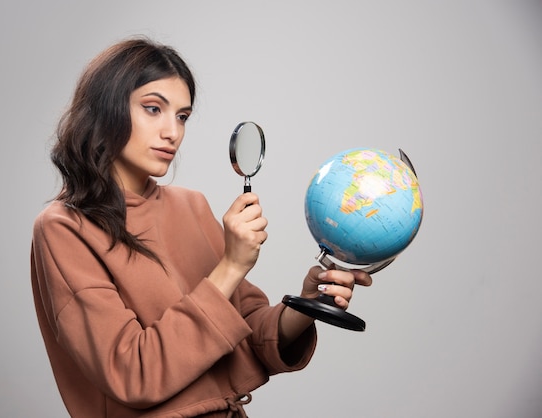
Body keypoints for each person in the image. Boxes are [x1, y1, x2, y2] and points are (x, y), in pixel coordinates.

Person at [30, 37, 372, 418]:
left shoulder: (191, 205)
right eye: (153, 109)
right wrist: (230, 266)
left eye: (182, 116)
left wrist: (309, 304)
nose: (172, 132)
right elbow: (132, 373)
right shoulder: (64, 228)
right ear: (106, 109)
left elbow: (251, 333)